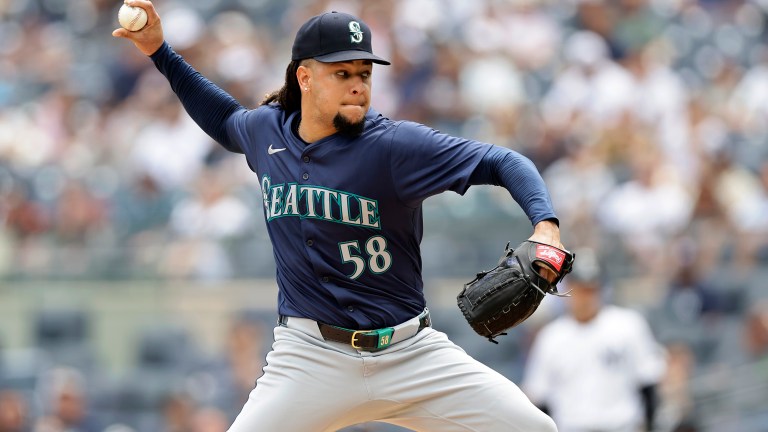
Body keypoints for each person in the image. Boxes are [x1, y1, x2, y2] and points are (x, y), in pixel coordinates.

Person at [114, 2, 566, 430]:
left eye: (364, 73)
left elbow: (503, 161)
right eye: (343, 73)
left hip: (410, 353)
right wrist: (158, 51)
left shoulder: (394, 146)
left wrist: (545, 224)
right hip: (311, 357)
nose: (358, 85)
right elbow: (223, 118)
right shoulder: (266, 131)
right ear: (305, 78)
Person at [522, 248, 666, 432]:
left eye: (591, 289)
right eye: (580, 289)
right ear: (568, 290)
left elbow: (648, 385)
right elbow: (540, 398)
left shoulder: (628, 325)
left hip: (621, 426)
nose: (586, 297)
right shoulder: (551, 337)